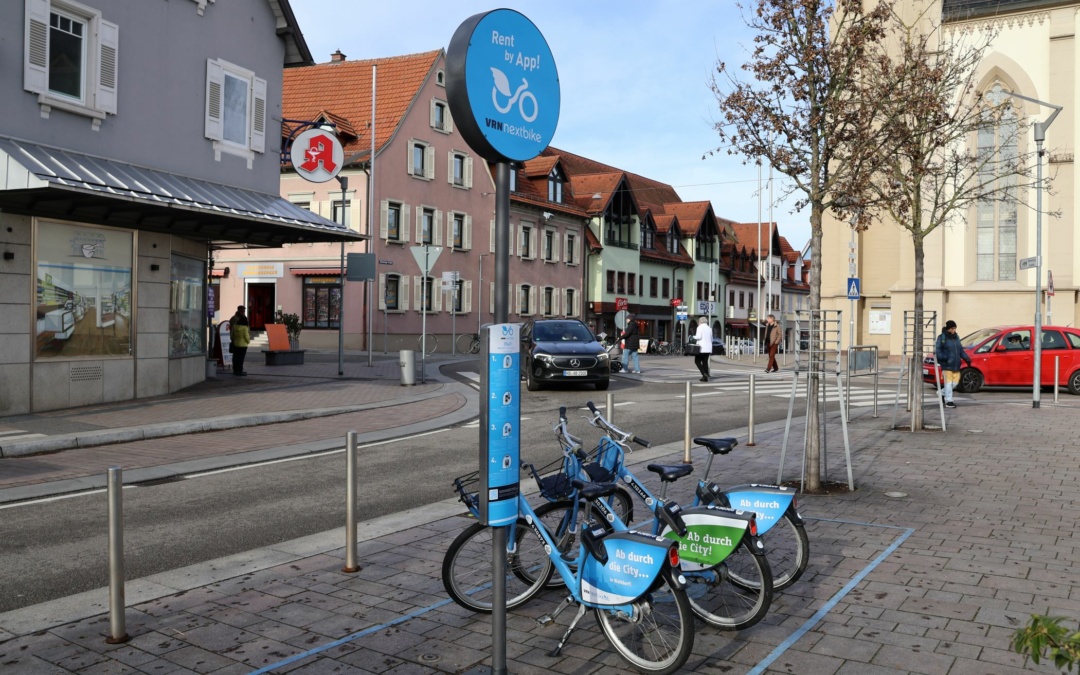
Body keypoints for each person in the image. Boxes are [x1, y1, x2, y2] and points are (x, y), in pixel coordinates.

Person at [934, 319, 971, 408]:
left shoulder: (956, 338)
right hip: (946, 365)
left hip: (956, 364)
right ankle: (949, 401)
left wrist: (967, 359)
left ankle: (941, 392)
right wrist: (946, 358)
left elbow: (960, 350)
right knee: (948, 383)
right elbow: (938, 351)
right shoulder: (941, 338)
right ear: (948, 328)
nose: (954, 330)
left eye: (955, 328)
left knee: (955, 383)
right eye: (953, 328)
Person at [230, 305, 250, 376]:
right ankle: (238, 370)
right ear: (238, 310)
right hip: (242, 343)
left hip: (236, 341)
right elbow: (232, 329)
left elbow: (232, 331)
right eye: (242, 310)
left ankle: (237, 370)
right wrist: (248, 340)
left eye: (244, 310)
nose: (243, 311)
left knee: (236, 357)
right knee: (239, 357)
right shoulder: (235, 318)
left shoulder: (244, 317)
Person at [693, 316, 713, 382]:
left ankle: (704, 373)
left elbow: (698, 337)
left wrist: (693, 337)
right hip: (708, 348)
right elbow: (711, 339)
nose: (698, 323)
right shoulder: (709, 328)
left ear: (701, 322)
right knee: (705, 362)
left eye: (699, 321)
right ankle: (705, 377)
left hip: (701, 348)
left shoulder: (700, 327)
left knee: (697, 361)